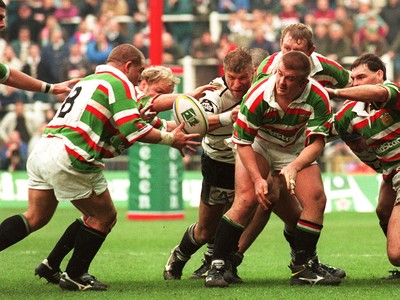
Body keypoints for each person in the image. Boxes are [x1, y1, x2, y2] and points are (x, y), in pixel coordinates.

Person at [0, 44, 200, 292]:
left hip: (44, 148)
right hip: (72, 153)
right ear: (129, 66)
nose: (139, 76)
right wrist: (173, 135)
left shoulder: (91, 80)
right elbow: (133, 127)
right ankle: (74, 275)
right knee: (104, 216)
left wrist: (222, 118)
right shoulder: (122, 84)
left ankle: (51, 265)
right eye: (140, 70)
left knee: (36, 216)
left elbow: (158, 120)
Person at [204, 50, 341, 287]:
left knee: (317, 199)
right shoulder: (258, 94)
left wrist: (294, 167)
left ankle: (303, 268)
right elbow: (243, 142)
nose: (281, 82)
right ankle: (216, 266)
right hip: (260, 143)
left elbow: (318, 141)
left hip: (295, 147)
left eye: (289, 78)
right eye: (280, 74)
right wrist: (258, 179)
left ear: (304, 81)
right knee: (247, 199)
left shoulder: (318, 96)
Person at [237, 22, 349, 280]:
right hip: (263, 142)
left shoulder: (328, 70)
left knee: (307, 203)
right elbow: (256, 104)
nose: (287, 55)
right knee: (263, 198)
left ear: (311, 50)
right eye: (285, 47)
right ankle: (227, 258)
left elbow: (355, 88)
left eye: (296, 49)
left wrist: (337, 122)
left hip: (300, 146)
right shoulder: (271, 68)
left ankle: (305, 263)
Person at [163, 47, 254, 282]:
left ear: (252, 72)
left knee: (242, 214)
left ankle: (221, 264)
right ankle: (179, 256)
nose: (236, 84)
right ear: (224, 72)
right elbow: (197, 123)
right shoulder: (215, 91)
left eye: (242, 78)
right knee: (206, 230)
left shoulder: (259, 87)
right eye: (232, 77)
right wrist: (228, 116)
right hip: (219, 162)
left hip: (248, 160)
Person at [325, 53, 400, 279]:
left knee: (396, 254)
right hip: (391, 172)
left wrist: (335, 92)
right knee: (383, 210)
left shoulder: (392, 91)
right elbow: (321, 132)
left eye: (362, 77)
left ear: (379, 75)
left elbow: (377, 93)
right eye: (353, 79)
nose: (356, 83)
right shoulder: (351, 113)